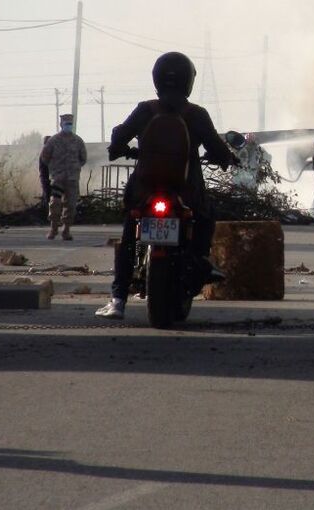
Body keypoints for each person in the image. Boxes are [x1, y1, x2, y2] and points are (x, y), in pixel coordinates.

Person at [96, 51, 237, 320]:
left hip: (145, 189)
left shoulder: (145, 110)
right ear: (188, 82)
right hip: (186, 190)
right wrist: (226, 158)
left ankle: (117, 300)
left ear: (157, 79)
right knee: (205, 216)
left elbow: (120, 137)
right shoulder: (196, 114)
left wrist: (118, 148)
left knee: (129, 236)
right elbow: (217, 147)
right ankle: (203, 263)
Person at [40, 114, 87, 240]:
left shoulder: (78, 141)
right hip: (58, 178)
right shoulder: (53, 141)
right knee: (55, 203)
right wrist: (54, 168)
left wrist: (75, 168)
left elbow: (83, 158)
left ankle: (66, 230)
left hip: (72, 179)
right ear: (61, 125)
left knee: (71, 205)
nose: (68, 126)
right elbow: (44, 157)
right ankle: (53, 228)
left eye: (70, 124)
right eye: (66, 124)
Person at [38, 135, 51, 210]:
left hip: (48, 178)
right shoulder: (45, 153)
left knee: (48, 195)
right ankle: (47, 212)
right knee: (48, 196)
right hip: (46, 178)